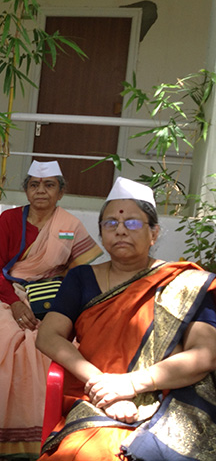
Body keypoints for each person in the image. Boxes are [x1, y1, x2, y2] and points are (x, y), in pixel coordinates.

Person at [36, 177, 216, 461]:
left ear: (153, 233)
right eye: (110, 224)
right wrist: (104, 385)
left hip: (168, 399)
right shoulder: (81, 278)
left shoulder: (184, 284)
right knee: (85, 454)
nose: (120, 230)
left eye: (132, 223)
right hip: (98, 398)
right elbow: (47, 335)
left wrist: (132, 384)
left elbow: (205, 355)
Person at [0, 161, 103, 459]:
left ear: (61, 192)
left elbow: (79, 273)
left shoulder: (70, 225)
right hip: (7, 292)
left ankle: (38, 433)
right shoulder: (9, 219)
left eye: (49, 185)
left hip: (52, 296)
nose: (41, 191)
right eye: (34, 185)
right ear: (26, 190)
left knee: (44, 343)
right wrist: (14, 303)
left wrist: (59, 298)